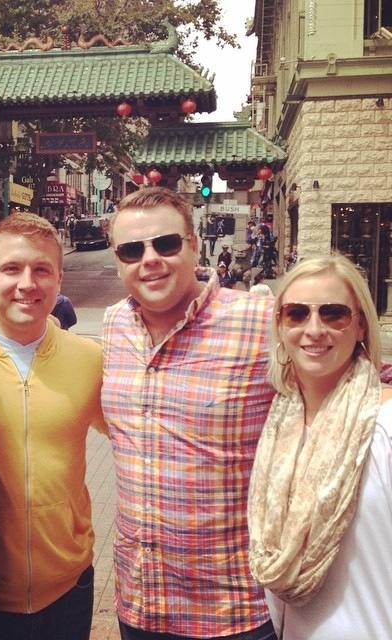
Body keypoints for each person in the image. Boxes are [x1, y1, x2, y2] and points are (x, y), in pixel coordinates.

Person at [102, 186, 277, 640]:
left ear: (194, 244)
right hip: (140, 603)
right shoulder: (113, 324)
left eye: (165, 243)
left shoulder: (260, 320)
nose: (150, 259)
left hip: (233, 609)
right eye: (131, 250)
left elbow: (351, 371)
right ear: (118, 259)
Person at [0, 211, 107, 640]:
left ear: (59, 279)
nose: (27, 283)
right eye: (12, 268)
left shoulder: (90, 359)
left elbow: (140, 436)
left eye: (41, 270)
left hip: (70, 583)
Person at [248, 254, 392, 639]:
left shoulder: (386, 425)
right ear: (280, 325)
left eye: (334, 314)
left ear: (360, 324)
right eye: (297, 314)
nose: (314, 329)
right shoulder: (280, 424)